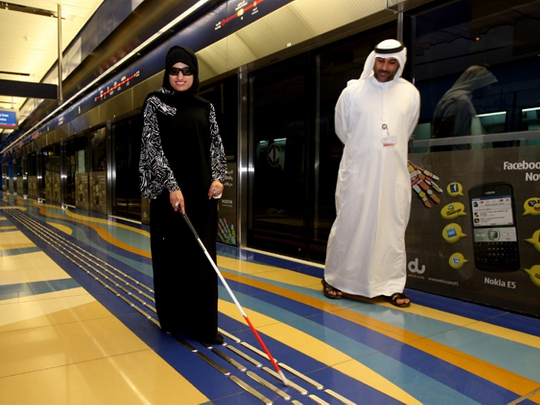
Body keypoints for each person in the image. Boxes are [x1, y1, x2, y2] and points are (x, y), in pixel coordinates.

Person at [322, 39, 420, 308]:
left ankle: (390, 285)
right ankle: (336, 279)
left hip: (393, 175)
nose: (384, 67)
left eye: (391, 62)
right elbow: (343, 130)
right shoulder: (352, 92)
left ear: (399, 63)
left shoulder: (410, 93)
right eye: (380, 61)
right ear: (372, 60)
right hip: (358, 172)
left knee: (392, 227)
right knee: (350, 223)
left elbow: (406, 130)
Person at [139, 45, 227, 343]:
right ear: (167, 73)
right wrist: (171, 186)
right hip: (169, 197)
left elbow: (216, 145)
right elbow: (152, 147)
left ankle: (203, 325)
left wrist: (218, 177)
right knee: (172, 259)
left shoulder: (206, 107)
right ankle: (174, 320)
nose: (180, 76)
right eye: (174, 71)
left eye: (186, 71)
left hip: (201, 196)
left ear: (194, 73)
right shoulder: (156, 103)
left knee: (202, 261)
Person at [431, 65, 497, 151]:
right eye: (487, 84)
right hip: (455, 160)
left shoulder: (461, 100)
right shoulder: (461, 102)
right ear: (477, 83)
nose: (489, 89)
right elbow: (445, 136)